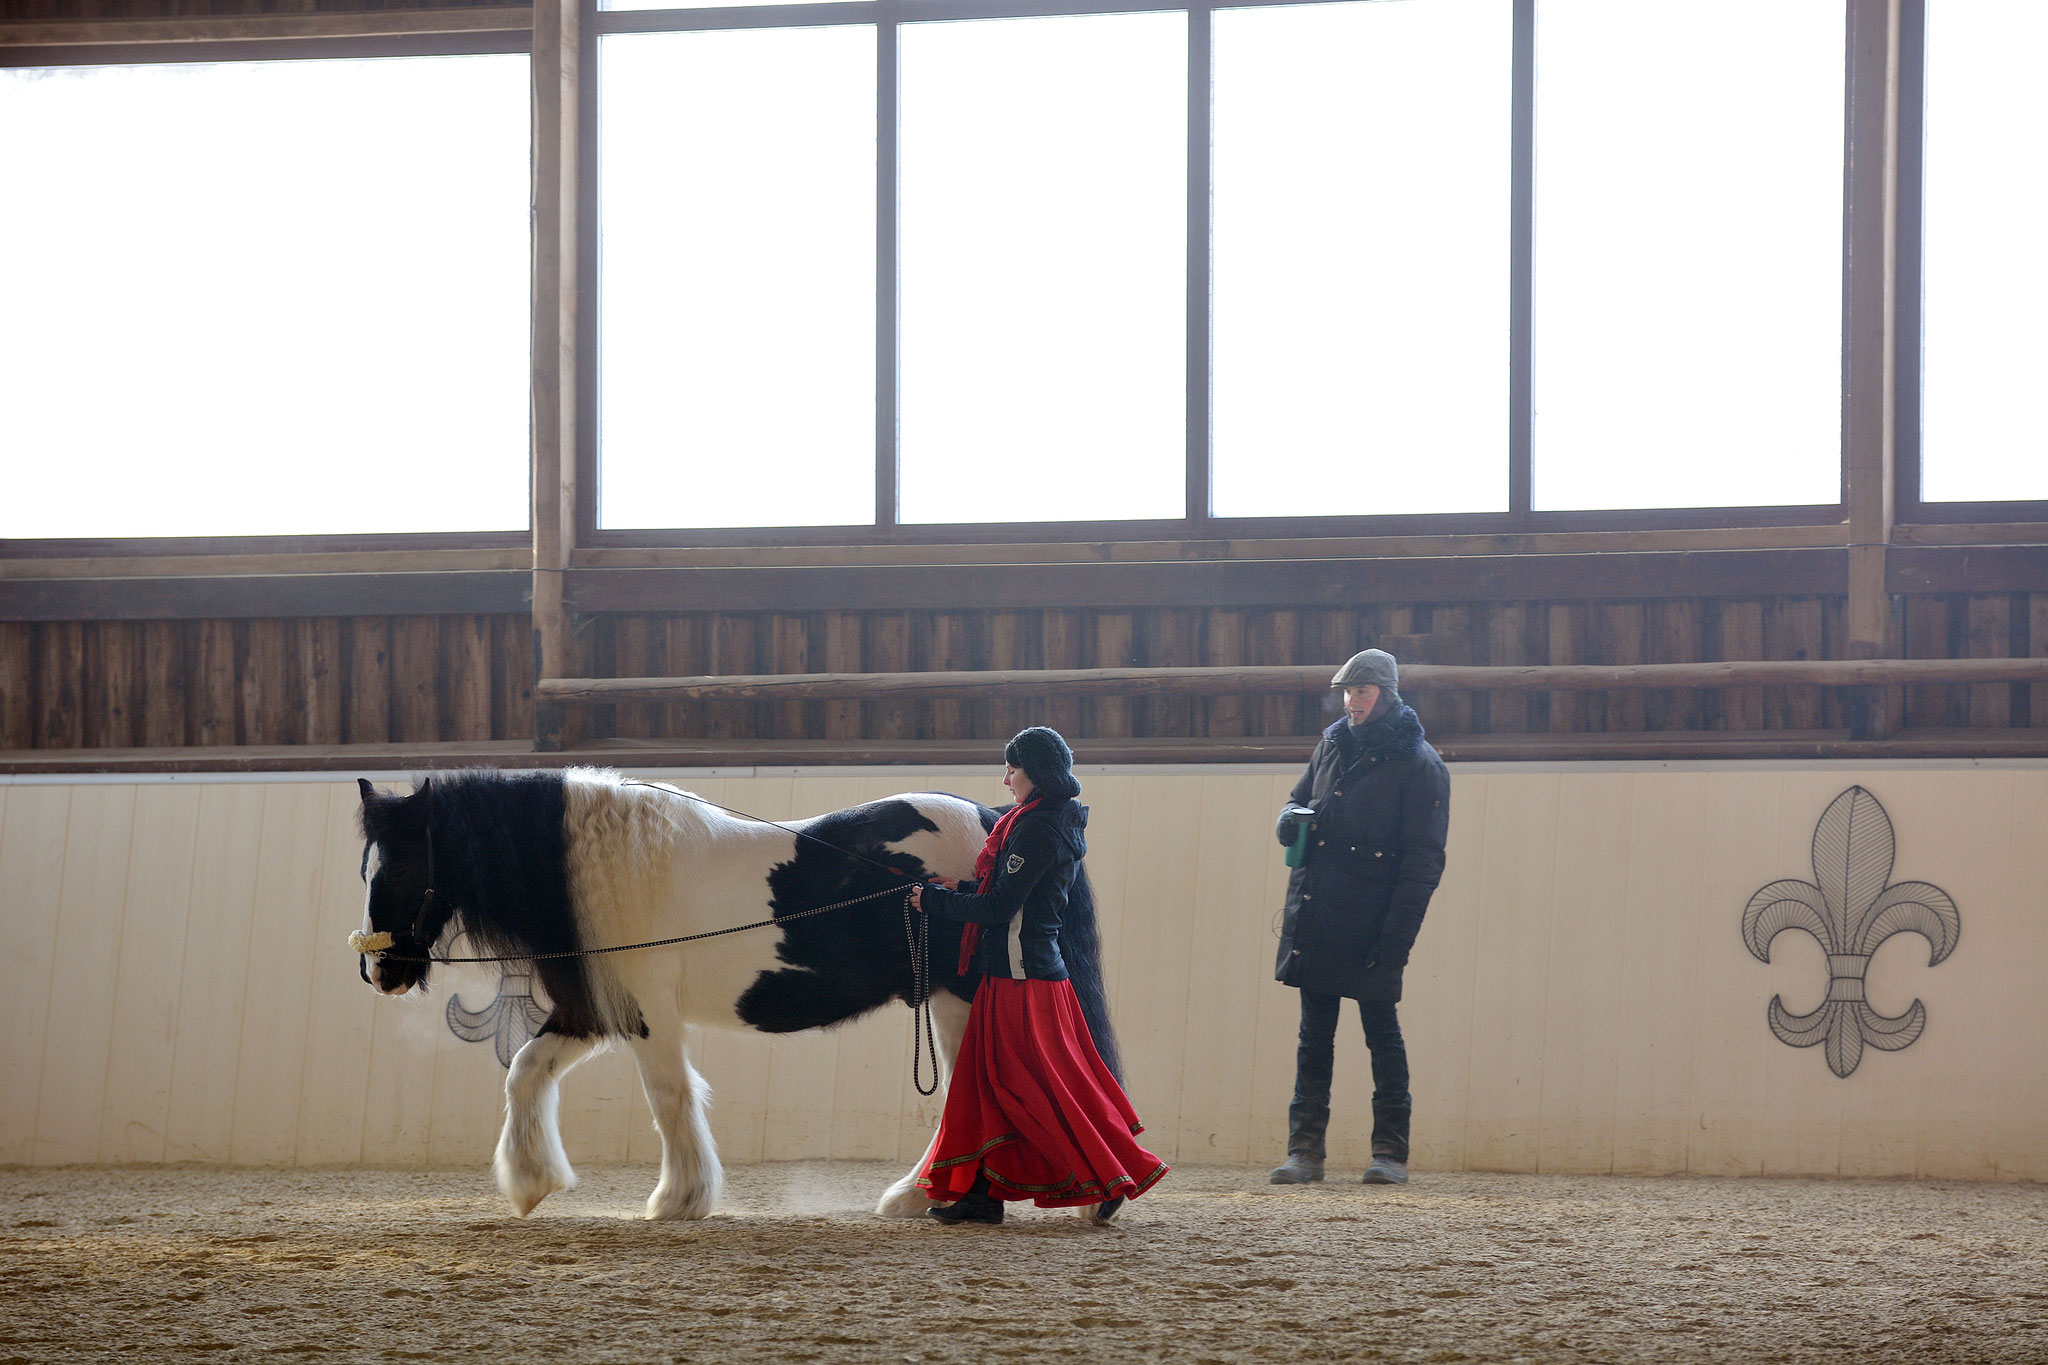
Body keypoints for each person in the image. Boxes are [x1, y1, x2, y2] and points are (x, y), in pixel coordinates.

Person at [909, 726, 1167, 1224]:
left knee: (1033, 1089)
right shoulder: (1042, 820)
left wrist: (934, 901)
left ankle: (1109, 1174)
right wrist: (960, 883)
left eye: (1013, 769)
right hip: (1019, 972)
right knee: (992, 1086)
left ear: (1036, 772)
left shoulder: (1036, 827)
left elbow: (1002, 906)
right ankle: (982, 1196)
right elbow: (1014, 888)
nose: (1006, 779)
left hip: (1021, 977)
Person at [1268, 649, 1450, 1187]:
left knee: (1382, 1036)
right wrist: (1286, 819)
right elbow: (1299, 799)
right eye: (1348, 692)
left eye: (1362, 692)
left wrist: (1395, 942)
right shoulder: (1331, 745)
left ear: (1387, 695)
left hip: (1372, 923)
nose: (1352, 701)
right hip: (1319, 911)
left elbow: (1422, 864)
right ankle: (1305, 1150)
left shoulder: (1421, 765)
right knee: (1313, 1036)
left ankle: (1390, 1152)